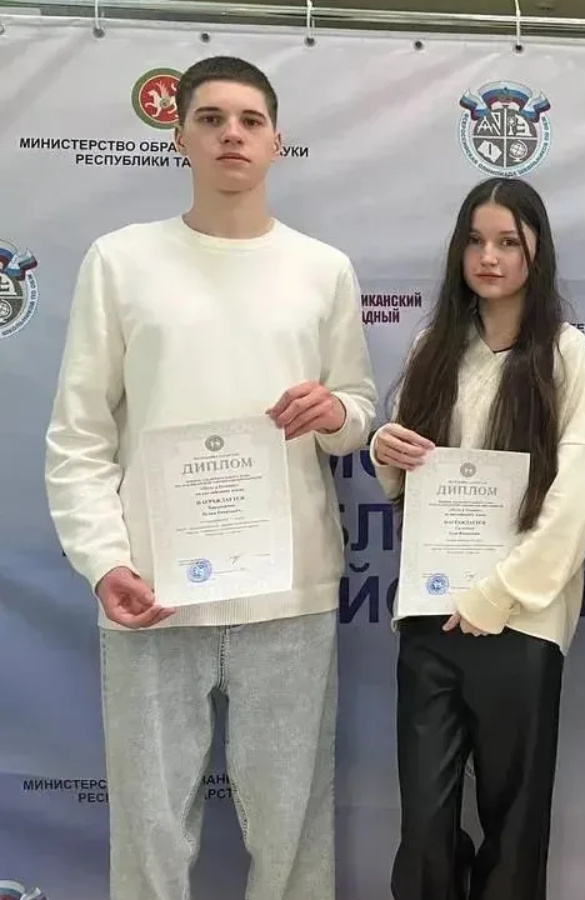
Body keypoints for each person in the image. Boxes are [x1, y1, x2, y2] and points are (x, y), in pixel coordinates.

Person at [42, 56, 375, 900]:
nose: (233, 134)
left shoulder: (323, 269)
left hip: (289, 594)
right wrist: (104, 561)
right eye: (212, 118)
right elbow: (79, 434)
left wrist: (334, 411)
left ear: (276, 141)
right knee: (150, 834)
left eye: (251, 120)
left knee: (293, 832)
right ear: (179, 135)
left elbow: (359, 414)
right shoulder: (120, 262)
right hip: (154, 592)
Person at [371, 177, 585, 899]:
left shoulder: (563, 351)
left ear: (537, 251)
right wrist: (386, 450)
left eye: (507, 242)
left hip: (521, 619)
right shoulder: (433, 346)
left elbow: (575, 496)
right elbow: (407, 476)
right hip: (432, 614)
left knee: (515, 821)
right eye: (475, 241)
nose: (489, 257)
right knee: (425, 823)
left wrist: (499, 594)